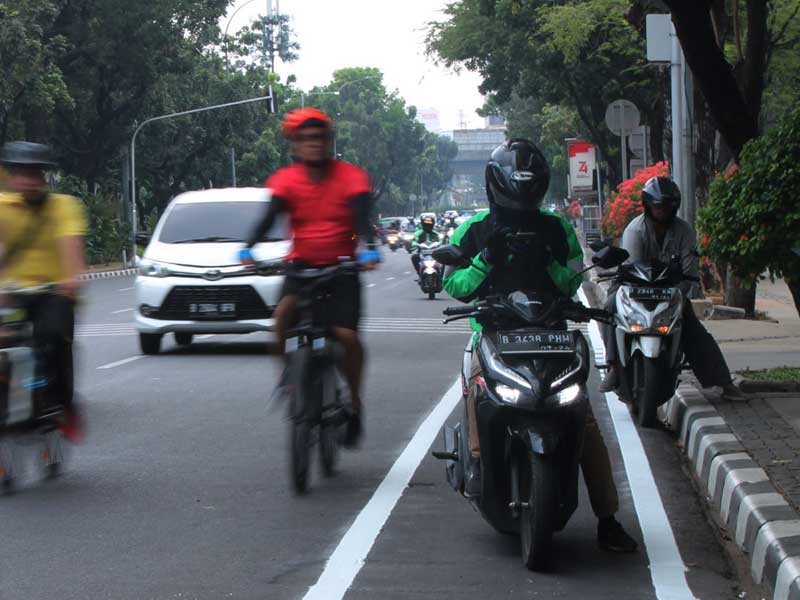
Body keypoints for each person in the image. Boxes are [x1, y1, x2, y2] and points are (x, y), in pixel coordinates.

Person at [444, 139, 638, 553]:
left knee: (582, 418)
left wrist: (547, 258)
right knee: (478, 395)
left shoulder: (557, 228)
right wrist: (486, 259)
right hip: (493, 338)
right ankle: (477, 469)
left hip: (552, 336)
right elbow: (454, 285)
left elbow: (573, 281)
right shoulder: (474, 228)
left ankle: (608, 518)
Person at [240, 108, 379, 447]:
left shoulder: (351, 177)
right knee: (281, 318)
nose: (314, 144)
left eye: (319, 138)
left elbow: (362, 218)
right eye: (306, 139)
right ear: (296, 145)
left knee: (346, 336)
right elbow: (268, 217)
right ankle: (288, 378)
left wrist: (370, 248)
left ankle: (355, 403)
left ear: (329, 142)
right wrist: (248, 248)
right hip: (300, 268)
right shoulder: (285, 181)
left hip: (342, 269)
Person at [598, 176, 744, 401]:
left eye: (667, 206)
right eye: (657, 206)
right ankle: (614, 367)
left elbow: (689, 269)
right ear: (648, 205)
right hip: (632, 287)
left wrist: (678, 295)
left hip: (670, 289)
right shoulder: (635, 231)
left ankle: (723, 381)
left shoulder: (684, 231)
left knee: (692, 326)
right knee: (609, 308)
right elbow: (631, 268)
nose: (662, 211)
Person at [0, 141, 87, 441]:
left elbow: (71, 246)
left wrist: (71, 280)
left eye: (33, 173)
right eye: (20, 173)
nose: (27, 180)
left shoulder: (64, 207)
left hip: (54, 290)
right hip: (11, 292)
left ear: (43, 177)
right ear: (11, 176)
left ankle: (63, 403)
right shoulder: (2, 208)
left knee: (52, 338)